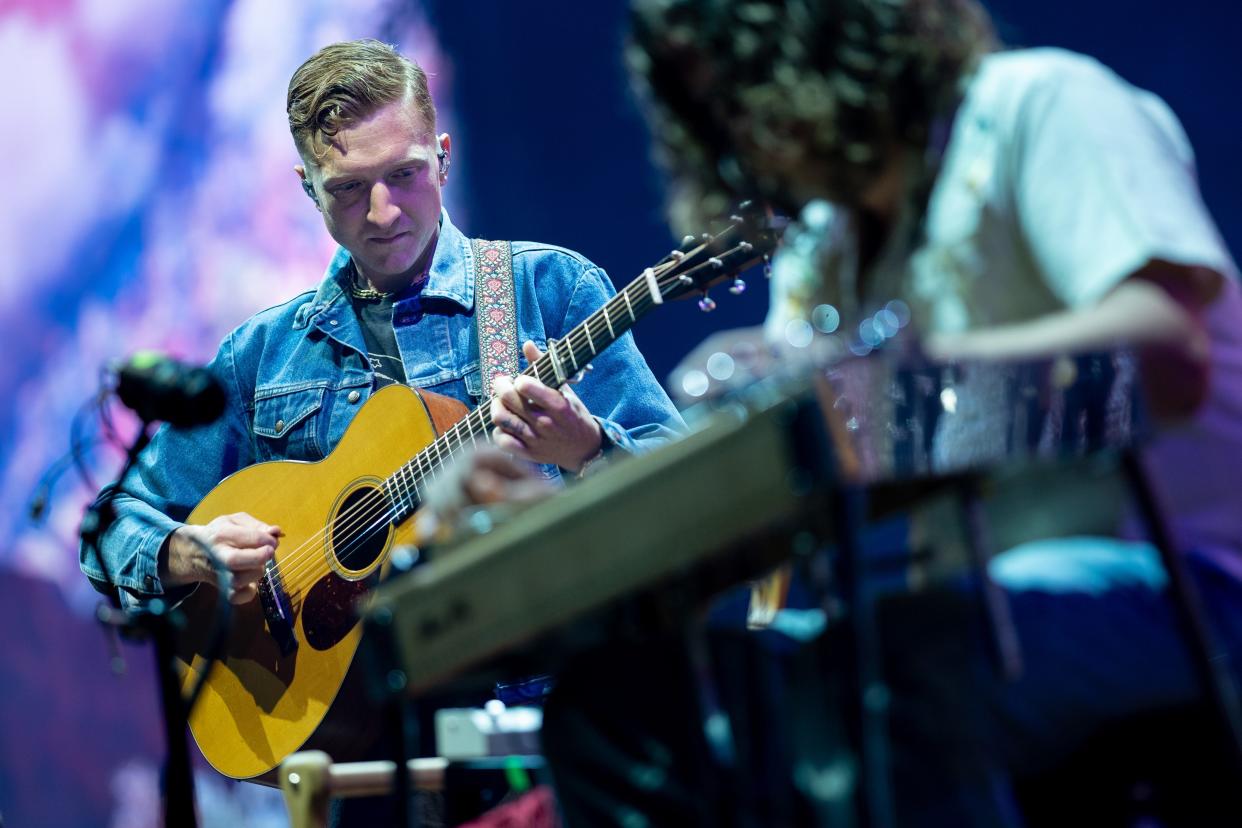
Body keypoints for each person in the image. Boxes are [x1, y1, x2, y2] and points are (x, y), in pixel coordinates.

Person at [532, 1, 1242, 825]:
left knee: (890, 666)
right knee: (618, 713)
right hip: (967, 624)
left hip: (1195, 587)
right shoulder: (825, 244)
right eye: (711, 111)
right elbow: (772, 482)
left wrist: (879, 397)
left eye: (744, 93)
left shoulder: (1037, 103)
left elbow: (1165, 364)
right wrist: (566, 499)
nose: (739, 140)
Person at [77, 37, 682, 820]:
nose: (385, 212)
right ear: (306, 189)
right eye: (349, 189)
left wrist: (589, 450)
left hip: (552, 739)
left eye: (405, 174)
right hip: (363, 769)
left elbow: (680, 485)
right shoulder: (262, 355)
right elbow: (112, 525)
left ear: (445, 155)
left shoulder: (547, 290)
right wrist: (185, 551)